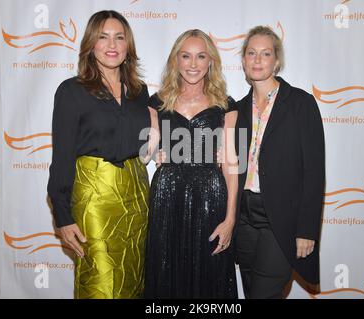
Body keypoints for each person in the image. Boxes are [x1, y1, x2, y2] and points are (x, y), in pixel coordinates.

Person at [47, 10, 152, 299]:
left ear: (128, 45)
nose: (112, 44)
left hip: (137, 196)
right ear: (91, 44)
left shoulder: (139, 92)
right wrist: (63, 217)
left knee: (133, 279)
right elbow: (62, 157)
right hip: (94, 199)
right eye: (103, 37)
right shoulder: (72, 91)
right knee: (101, 283)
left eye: (119, 37)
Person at [144, 29, 239, 298]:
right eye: (186, 56)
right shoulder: (157, 102)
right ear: (176, 60)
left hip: (210, 196)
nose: (193, 64)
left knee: (209, 272)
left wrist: (230, 218)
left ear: (211, 62)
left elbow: (231, 165)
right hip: (167, 196)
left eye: (200, 56)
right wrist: (154, 153)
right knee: (166, 270)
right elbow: (145, 149)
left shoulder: (225, 105)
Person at [234, 26, 325, 299]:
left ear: (277, 61)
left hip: (281, 219)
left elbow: (314, 172)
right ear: (243, 60)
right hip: (244, 218)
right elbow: (231, 166)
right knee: (251, 292)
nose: (257, 60)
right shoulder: (236, 110)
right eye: (251, 53)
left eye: (265, 53)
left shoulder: (300, 104)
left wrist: (307, 230)